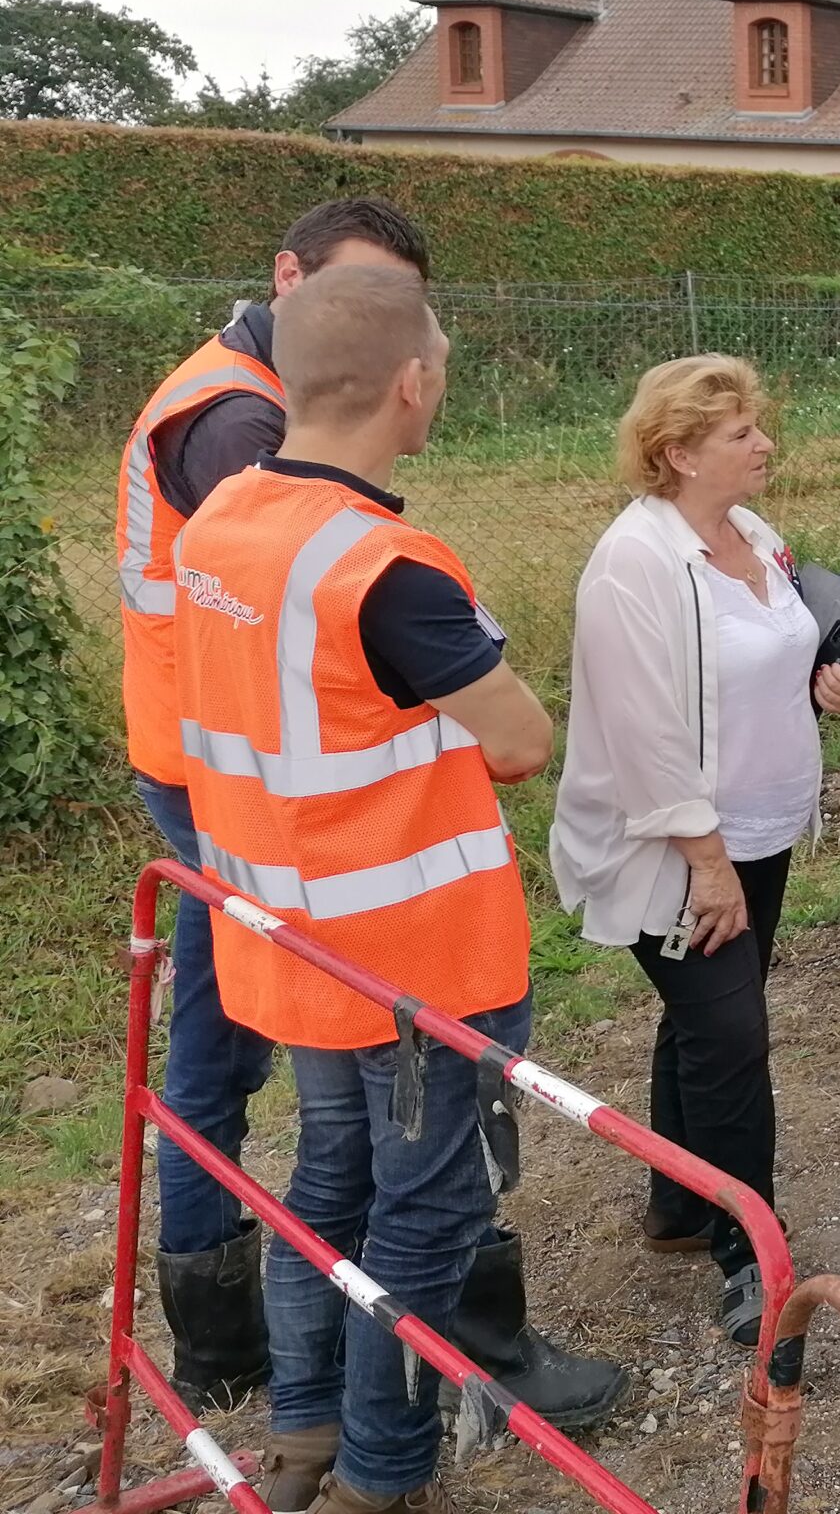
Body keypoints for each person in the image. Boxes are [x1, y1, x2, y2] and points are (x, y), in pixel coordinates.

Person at [113, 198, 617, 1431]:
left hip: (288, 928)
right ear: (412, 387)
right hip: (410, 955)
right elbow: (519, 741)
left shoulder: (227, 510)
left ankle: (297, 1425)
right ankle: (383, 1467)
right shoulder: (389, 567)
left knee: (325, 1190)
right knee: (426, 1205)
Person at [549, 356, 840, 1344]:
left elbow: (772, 648)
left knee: (700, 1019)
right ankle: (748, 1257)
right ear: (677, 453)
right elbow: (644, 732)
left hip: (763, 831)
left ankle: (676, 1206)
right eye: (741, 433)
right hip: (683, 848)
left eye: (759, 426)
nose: (766, 443)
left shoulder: (753, 536)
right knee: (730, 1037)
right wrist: (708, 862)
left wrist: (824, 676)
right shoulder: (633, 565)